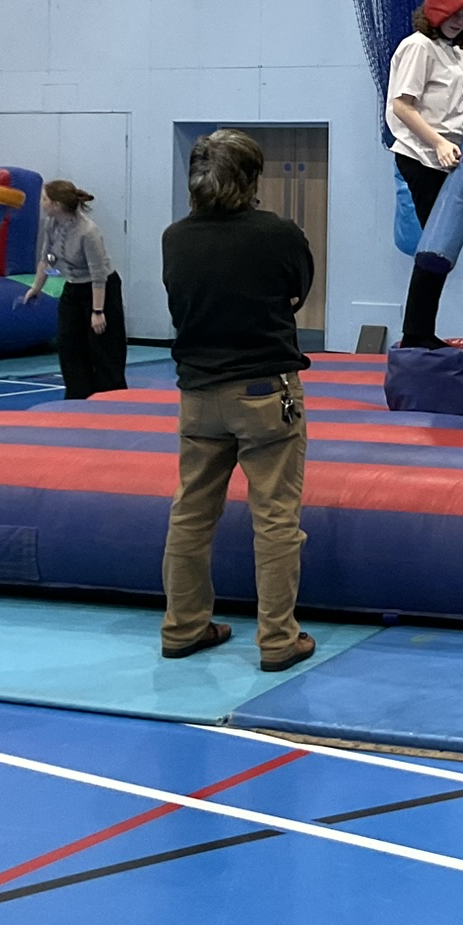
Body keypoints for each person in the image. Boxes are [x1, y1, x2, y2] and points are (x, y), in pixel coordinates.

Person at [159, 128, 318, 672]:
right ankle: (277, 639)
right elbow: (296, 293)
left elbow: (181, 300)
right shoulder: (278, 234)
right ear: (251, 181)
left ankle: (183, 626)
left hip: (198, 393)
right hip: (263, 390)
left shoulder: (175, 238)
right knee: (275, 519)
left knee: (191, 513)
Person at [387, 0, 463, 348]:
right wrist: (436, 143)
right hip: (420, 156)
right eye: (453, 13)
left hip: (444, 157)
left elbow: (449, 107)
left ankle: (420, 330)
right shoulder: (418, 46)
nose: (458, 21)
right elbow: (402, 106)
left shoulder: (456, 53)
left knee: (442, 246)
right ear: (436, 10)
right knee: (435, 245)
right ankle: (416, 333)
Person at [20, 179, 127, 399]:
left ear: (57, 205)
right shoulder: (51, 223)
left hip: (101, 290)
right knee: (69, 345)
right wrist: (36, 287)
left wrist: (97, 311)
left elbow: (98, 274)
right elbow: (47, 257)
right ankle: (78, 396)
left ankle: (112, 397)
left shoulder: (88, 232)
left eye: (44, 199)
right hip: (74, 287)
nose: (41, 203)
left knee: (103, 349)